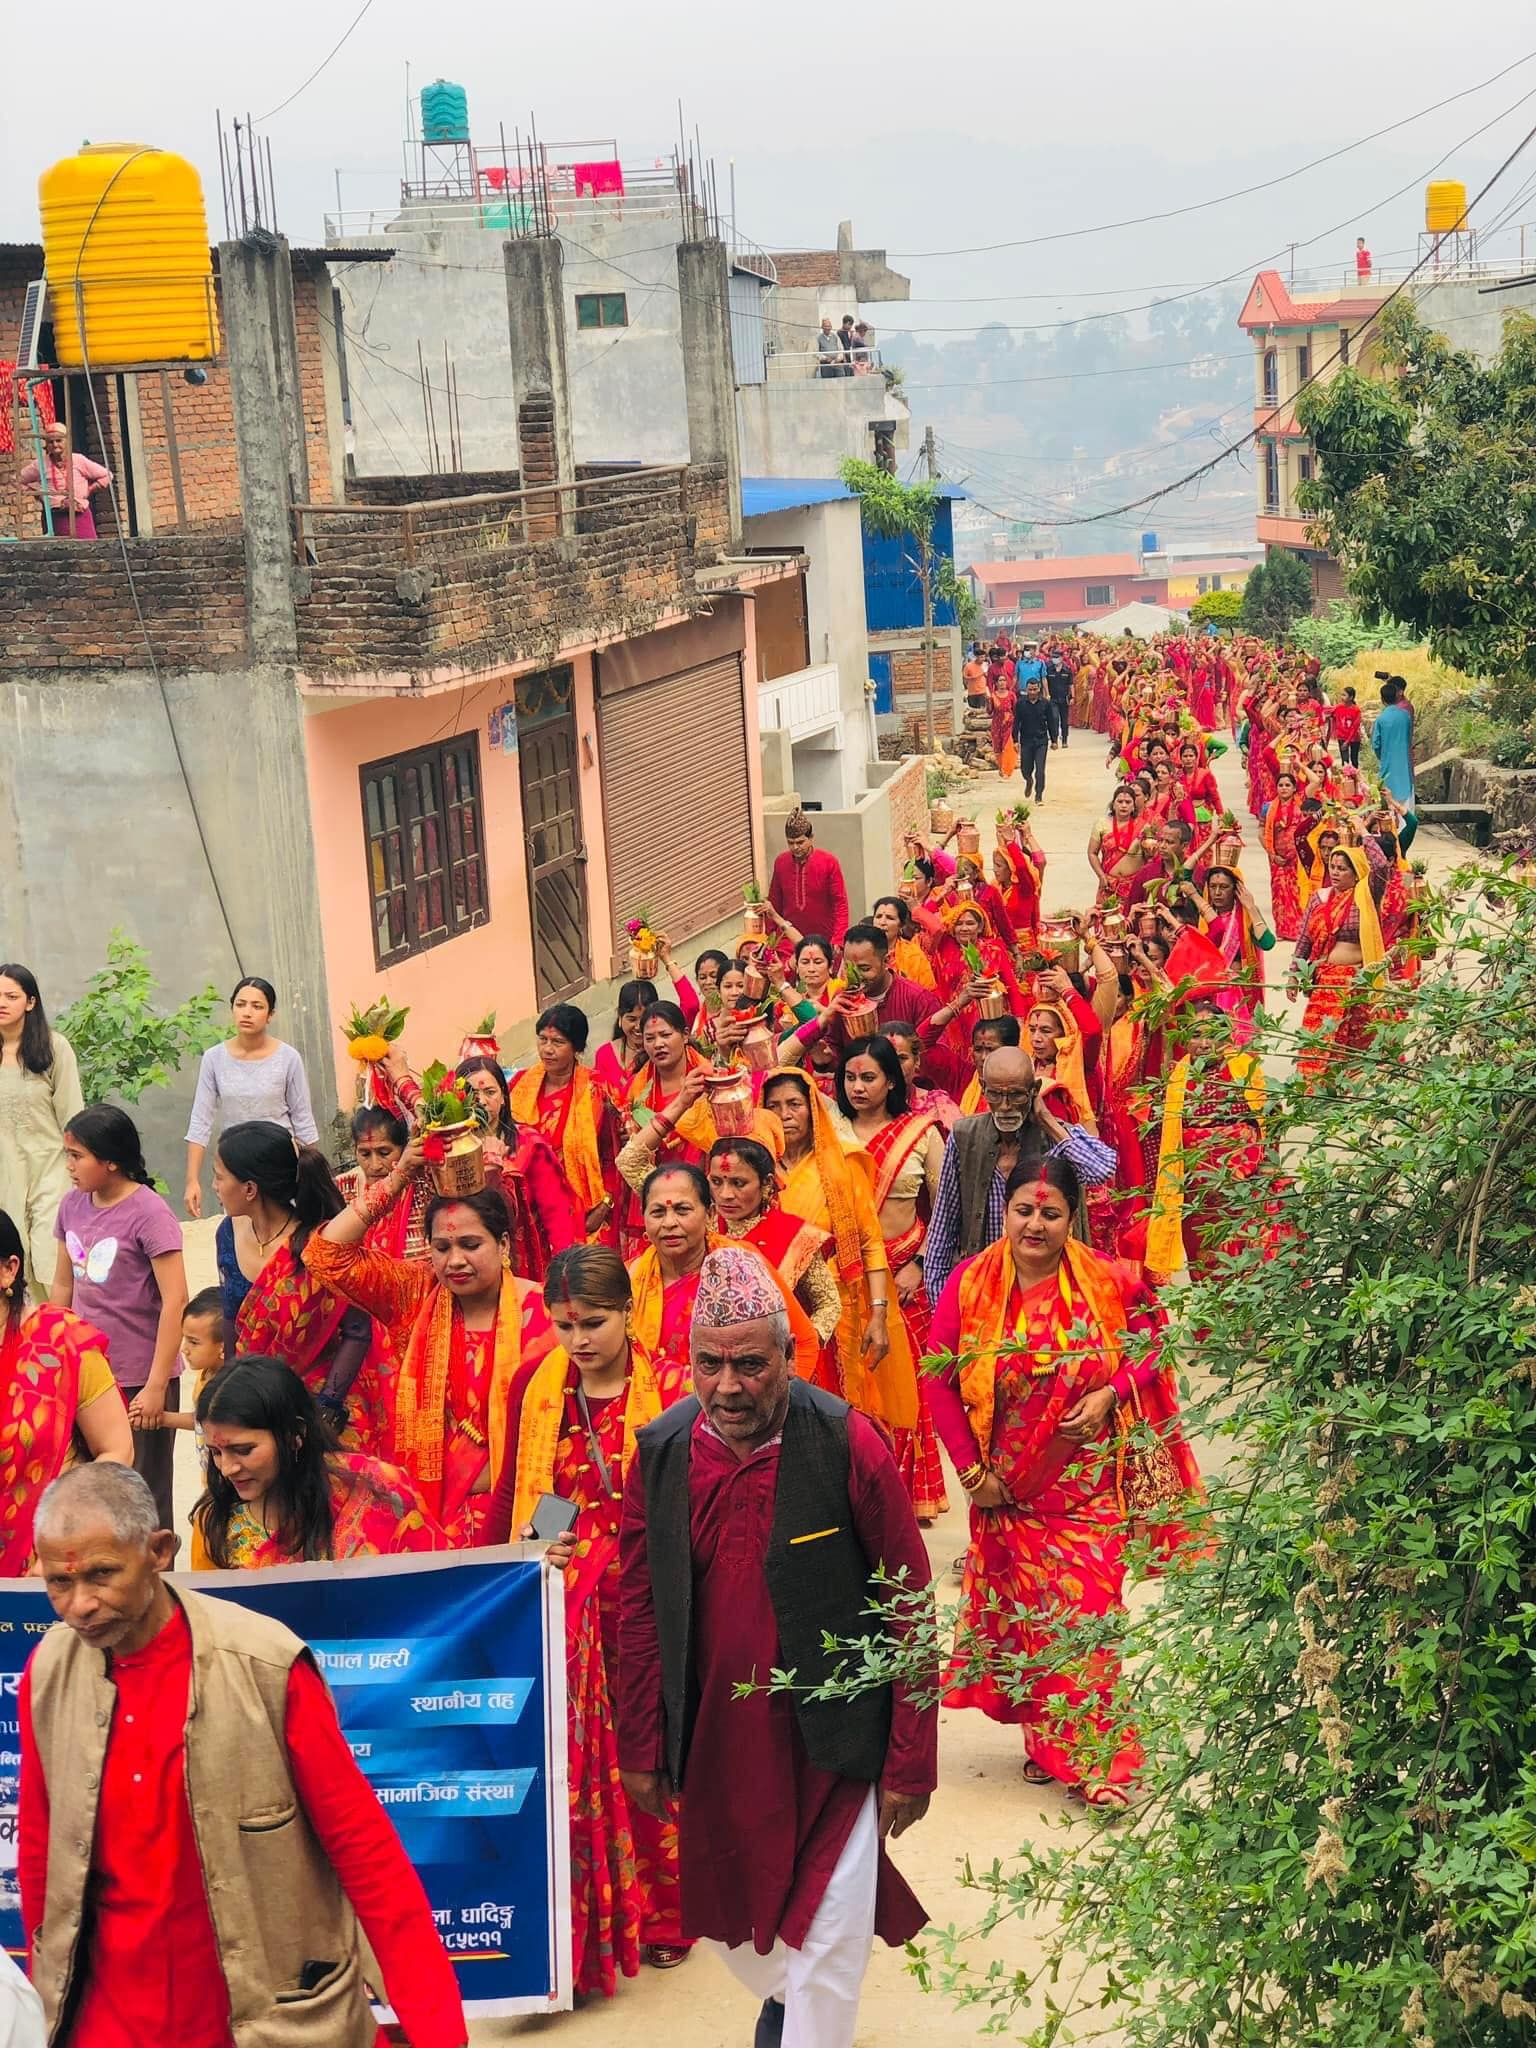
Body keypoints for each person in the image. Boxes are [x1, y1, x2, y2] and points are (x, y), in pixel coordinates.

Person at [20, 1461, 469, 2048]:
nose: (80, 1605)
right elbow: (41, 1850)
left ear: (159, 1551)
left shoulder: (265, 1667)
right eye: (60, 1583)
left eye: (102, 1575)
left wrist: (436, 2026)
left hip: (256, 2018)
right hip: (106, 2019)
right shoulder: (49, 1671)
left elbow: (365, 1852)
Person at [616, 1244, 938, 2048]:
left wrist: (909, 1762)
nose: (728, 1387)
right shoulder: (660, 1453)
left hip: (834, 1748)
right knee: (736, 1930)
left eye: (751, 1365)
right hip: (719, 1746)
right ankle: (785, 2008)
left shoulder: (847, 1443)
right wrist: (643, 1746)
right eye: (710, 1365)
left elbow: (911, 1606)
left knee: (829, 1945)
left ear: (790, 1358)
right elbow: (640, 1607)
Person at [928, 1158, 1200, 1808]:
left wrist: (1112, 1392)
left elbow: (1152, 1344)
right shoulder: (971, 1285)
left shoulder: (1109, 1283)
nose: (1035, 1224)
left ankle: (1102, 1762)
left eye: (1050, 1213)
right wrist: (972, 1474)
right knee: (1031, 1627)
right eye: (1024, 1209)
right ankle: (1050, 1744)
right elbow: (937, 1379)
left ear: (1071, 1218)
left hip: (1087, 1491)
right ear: (1006, 1212)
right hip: (1006, 1491)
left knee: (1087, 1622)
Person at [486, 1244, 688, 1986]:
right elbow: (518, 1490)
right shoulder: (533, 1388)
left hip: (650, 1604)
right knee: (576, 1770)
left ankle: (669, 1912)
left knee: (652, 1752)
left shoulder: (673, 1390)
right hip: (565, 1612)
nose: (579, 1341)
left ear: (629, 1313)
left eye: (594, 1323)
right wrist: (520, 1560)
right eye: (565, 1326)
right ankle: (589, 1918)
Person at [306, 1171, 554, 1544]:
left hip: (524, 1513)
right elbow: (326, 1255)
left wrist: (547, 1536)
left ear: (503, 1244)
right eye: (442, 1248)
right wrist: (400, 1173)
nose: (455, 1260)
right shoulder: (414, 1296)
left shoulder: (545, 1312)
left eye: (470, 1244)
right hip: (431, 1517)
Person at [52, 1106, 188, 1528]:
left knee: (143, 1497)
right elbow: (62, 1288)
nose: (69, 1166)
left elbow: (176, 1299)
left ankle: (155, 1587)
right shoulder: (71, 1206)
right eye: (68, 1156)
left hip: (138, 1378)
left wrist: (155, 1385)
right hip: (88, 1375)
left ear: (110, 1161)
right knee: (92, 1492)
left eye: (77, 1156)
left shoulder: (149, 1213)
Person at [212, 1121, 386, 1451]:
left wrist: (326, 1408)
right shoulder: (227, 1234)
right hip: (257, 1400)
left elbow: (357, 1331)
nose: (214, 1186)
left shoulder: (320, 1243)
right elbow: (231, 1317)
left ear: (250, 1189)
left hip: (321, 1402)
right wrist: (231, 1388)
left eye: (220, 1176)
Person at [836, 1036, 950, 1521]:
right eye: (850, 1077)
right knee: (854, 1383)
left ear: (892, 1081)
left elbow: (946, 1208)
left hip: (906, 1272)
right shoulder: (832, 1131)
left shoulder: (921, 1133)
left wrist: (920, 1263)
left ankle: (909, 1494)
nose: (858, 1087)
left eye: (869, 1078)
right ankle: (861, 1493)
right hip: (847, 1276)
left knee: (911, 1390)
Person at [192, 1355, 446, 1566]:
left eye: (244, 1450)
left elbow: (434, 1595)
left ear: (295, 1435)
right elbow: (209, 1619)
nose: (227, 1469)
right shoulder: (216, 1523)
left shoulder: (377, 1489)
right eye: (215, 1452)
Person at [922, 1044, 1116, 1303]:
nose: (1004, 1106)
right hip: (985, 1291)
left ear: (1033, 1091)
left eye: (1016, 1095)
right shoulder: (964, 1136)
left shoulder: (1058, 1135)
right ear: (982, 1087)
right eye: (995, 1095)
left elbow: (1101, 1171)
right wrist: (943, 1307)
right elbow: (942, 1228)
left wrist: (1047, 1119)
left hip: (1052, 1293)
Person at [0, 1206, 131, 1575]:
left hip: (53, 1566)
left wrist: (63, 1545)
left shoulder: (61, 1343)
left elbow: (117, 1449)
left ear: (9, 1269)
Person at [185, 978, 318, 1219]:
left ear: (270, 1015)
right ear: (232, 1009)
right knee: (241, 1233)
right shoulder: (214, 1059)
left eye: (257, 1006)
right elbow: (200, 1121)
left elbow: (303, 1119)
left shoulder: (288, 1058)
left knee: (284, 1230)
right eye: (241, 1004)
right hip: (235, 1163)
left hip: (279, 1159)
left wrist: (315, 1177)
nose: (247, 1012)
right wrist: (192, 1180)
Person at [453, 1055, 585, 1279]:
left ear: (504, 1097)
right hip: (466, 1263)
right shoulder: (451, 1149)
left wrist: (567, 1270)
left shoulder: (529, 1144)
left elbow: (557, 1213)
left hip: (524, 1262)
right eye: (471, 1094)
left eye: (490, 1092)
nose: (481, 1101)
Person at [0, 964, 83, 1292]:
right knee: (14, 1254)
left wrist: (78, 1168)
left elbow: (73, 1116)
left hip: (52, 1169)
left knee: (51, 1255)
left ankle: (61, 1332)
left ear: (30, 1002)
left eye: (11, 996)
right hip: (6, 1172)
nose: (2, 1003)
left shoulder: (53, 1048)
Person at [334, 1102, 433, 1261]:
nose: (375, 1165)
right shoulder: (342, 1189)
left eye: (384, 1152)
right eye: (365, 1154)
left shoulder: (425, 1185)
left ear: (404, 1148)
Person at [769, 811, 850, 949]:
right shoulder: (781, 862)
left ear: (811, 838)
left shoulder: (829, 862)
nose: (795, 847)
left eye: (800, 842)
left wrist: (838, 939)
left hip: (824, 941)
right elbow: (775, 901)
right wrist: (770, 937)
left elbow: (840, 904)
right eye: (791, 843)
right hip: (788, 941)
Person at [18, 419, 111, 538]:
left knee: (88, 549)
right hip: (55, 517)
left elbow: (107, 475)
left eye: (59, 440)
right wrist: (39, 494)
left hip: (79, 515)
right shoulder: (40, 464)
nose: (55, 445)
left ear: (66, 441)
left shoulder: (78, 460)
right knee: (60, 551)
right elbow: (18, 481)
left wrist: (90, 489)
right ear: (46, 445)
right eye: (51, 442)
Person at [596, 978, 654, 1096]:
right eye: (631, 1019)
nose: (638, 1027)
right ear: (620, 1017)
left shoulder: (661, 1051)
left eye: (644, 1019)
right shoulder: (605, 1054)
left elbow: (691, 1005)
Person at [1371, 677, 1416, 811]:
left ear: (1382, 699)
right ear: (1397, 696)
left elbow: (1376, 744)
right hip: (1404, 763)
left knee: (1388, 798)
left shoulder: (1381, 719)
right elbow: (1408, 737)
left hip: (1388, 762)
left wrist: (1382, 756)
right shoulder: (1405, 716)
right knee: (1406, 802)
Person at [1013, 677, 1053, 802]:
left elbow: (1051, 722)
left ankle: (1039, 795)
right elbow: (1016, 723)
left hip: (1041, 741)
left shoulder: (1045, 703)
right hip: (1026, 741)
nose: (1032, 692)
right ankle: (1029, 781)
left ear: (1039, 689)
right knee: (1025, 768)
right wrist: (1015, 740)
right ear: (1026, 690)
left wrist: (1055, 739)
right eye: (1030, 690)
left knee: (1040, 770)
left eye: (1035, 689)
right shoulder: (1020, 704)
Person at [1043, 646, 1074, 748]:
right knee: (1054, 719)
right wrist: (1046, 694)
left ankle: (1064, 740)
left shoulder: (1067, 669)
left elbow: (1071, 684)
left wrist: (1073, 696)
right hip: (1053, 698)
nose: (1054, 659)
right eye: (1053, 657)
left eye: (1056, 657)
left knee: (1064, 721)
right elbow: (1045, 682)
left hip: (1064, 698)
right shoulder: (1049, 669)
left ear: (1061, 658)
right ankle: (1054, 740)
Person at [1328, 684, 1362, 767]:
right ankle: (1346, 778)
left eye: (1344, 695)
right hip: (1342, 737)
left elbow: (1355, 727)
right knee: (1345, 761)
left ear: (1351, 697)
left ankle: (1355, 778)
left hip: (1354, 738)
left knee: (1354, 760)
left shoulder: (1356, 710)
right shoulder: (1338, 707)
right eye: (1341, 695)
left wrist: (1347, 741)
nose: (1341, 697)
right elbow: (1329, 713)